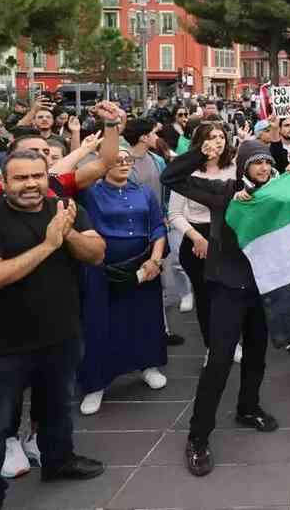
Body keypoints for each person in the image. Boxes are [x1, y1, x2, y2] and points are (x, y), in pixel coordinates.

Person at [0, 151, 108, 509]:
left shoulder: (65, 211)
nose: (31, 184)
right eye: (21, 178)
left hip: (61, 336)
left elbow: (97, 253)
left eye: (38, 176)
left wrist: (67, 233)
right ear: (4, 183)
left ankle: (58, 461)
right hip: (2, 346)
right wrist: (48, 245)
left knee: (57, 409)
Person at [162, 139, 282, 477]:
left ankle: (248, 407)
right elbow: (170, 177)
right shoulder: (224, 191)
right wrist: (204, 153)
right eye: (255, 163)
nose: (262, 168)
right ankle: (198, 437)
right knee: (218, 361)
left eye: (266, 162)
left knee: (257, 354)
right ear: (242, 165)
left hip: (261, 287)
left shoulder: (279, 191)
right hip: (228, 287)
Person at [75, 148, 169, 415]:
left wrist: (155, 259)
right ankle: (95, 385)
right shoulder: (90, 193)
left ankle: (148, 366)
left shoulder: (144, 192)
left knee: (145, 320)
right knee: (99, 323)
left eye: (128, 160)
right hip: (102, 269)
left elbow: (158, 227)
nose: (124, 163)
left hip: (143, 266)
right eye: (118, 160)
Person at [167, 122, 237, 361]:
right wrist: (196, 238)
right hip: (197, 240)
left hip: (228, 239)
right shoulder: (188, 174)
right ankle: (212, 346)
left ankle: (231, 342)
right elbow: (174, 214)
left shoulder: (235, 169)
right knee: (206, 298)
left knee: (230, 295)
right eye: (211, 137)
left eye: (221, 136)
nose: (217, 141)